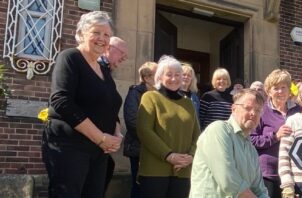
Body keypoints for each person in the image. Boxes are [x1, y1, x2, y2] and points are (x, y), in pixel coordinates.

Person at [43, 11, 123, 198]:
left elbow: (110, 105)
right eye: (96, 32)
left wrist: (116, 134)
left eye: (106, 35)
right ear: (81, 33)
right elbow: (61, 101)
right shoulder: (70, 57)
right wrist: (101, 138)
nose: (102, 39)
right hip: (70, 147)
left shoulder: (103, 68)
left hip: (99, 151)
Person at [136, 55, 200, 198]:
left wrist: (191, 156)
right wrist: (168, 155)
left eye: (178, 74)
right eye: (169, 74)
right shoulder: (150, 97)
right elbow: (144, 130)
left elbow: (197, 134)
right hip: (155, 170)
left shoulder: (188, 103)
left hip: (183, 170)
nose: (174, 78)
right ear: (159, 77)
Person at [190, 89, 270, 198]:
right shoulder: (218, 130)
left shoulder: (251, 148)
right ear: (233, 109)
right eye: (248, 108)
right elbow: (229, 181)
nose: (253, 113)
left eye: (258, 110)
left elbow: (259, 189)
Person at [251, 69, 301, 197]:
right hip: (269, 173)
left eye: (283, 87)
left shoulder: (299, 110)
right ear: (268, 91)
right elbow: (251, 139)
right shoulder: (261, 111)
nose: (280, 92)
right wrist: (275, 136)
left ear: (289, 90)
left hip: (295, 172)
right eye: (276, 88)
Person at [122, 61, 157, 198]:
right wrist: (152, 140)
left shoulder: (160, 94)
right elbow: (132, 122)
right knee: (139, 186)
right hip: (139, 148)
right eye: (157, 74)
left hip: (156, 149)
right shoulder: (135, 93)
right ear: (147, 78)